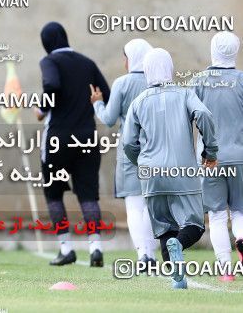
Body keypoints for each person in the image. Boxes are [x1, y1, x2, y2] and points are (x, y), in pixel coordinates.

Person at [123, 48, 218, 289]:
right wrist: (211, 150)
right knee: (194, 226)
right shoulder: (185, 94)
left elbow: (127, 143)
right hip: (183, 172)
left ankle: (178, 279)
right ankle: (179, 247)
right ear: (170, 68)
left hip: (151, 174)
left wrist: (140, 164)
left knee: (164, 229)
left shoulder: (138, 101)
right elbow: (204, 115)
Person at [36, 21, 110, 267]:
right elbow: (105, 93)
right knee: (88, 196)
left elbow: (52, 85)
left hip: (58, 139)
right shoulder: (87, 63)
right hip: (87, 138)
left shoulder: (49, 62)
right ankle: (96, 248)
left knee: (54, 194)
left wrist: (43, 108)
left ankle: (66, 249)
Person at [90, 39, 157, 265]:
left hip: (130, 151)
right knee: (150, 206)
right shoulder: (156, 81)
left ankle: (143, 255)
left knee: (135, 206)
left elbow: (109, 119)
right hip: (156, 150)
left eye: (126, 57)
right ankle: (152, 255)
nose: (124, 62)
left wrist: (97, 103)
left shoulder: (122, 83)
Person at [189, 31, 243, 282]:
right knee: (241, 212)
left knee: (218, 215)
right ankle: (242, 244)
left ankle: (226, 270)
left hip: (211, 160)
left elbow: (187, 118)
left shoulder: (199, 81)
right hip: (241, 157)